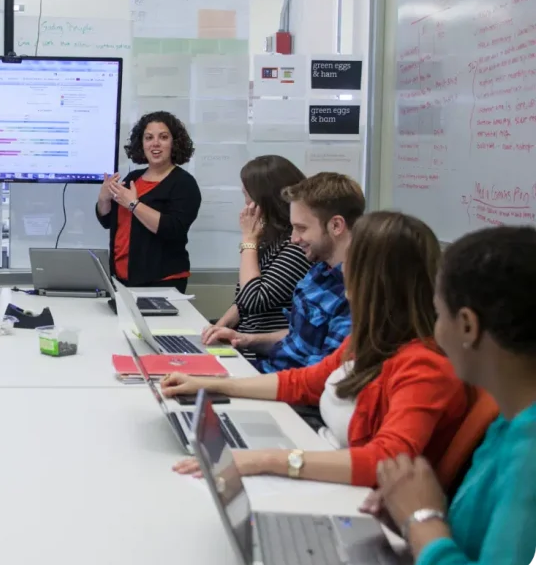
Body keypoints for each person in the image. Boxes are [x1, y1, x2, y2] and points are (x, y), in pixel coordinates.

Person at [163, 211, 468, 488]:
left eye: (353, 262)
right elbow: (303, 383)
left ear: (377, 278)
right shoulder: (371, 338)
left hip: (344, 489)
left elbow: (385, 461)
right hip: (317, 459)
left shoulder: (424, 366)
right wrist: (208, 385)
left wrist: (264, 460)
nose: (343, 271)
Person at [361, 226, 536, 565]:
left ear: (468, 326)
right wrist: (410, 512)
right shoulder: (509, 423)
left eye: (440, 315)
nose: (436, 330)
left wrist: (421, 520)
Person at [204, 172, 365, 373]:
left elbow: (320, 380)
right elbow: (297, 338)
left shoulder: (357, 291)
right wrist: (246, 340)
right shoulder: (319, 271)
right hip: (270, 372)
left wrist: (229, 385)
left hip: (292, 394)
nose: (294, 239)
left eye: (301, 228)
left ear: (336, 225)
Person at [202, 156, 312, 338]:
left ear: (265, 199)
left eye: (247, 195)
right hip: (245, 339)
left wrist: (249, 241)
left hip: (264, 349)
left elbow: (254, 300)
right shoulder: (271, 238)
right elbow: (242, 301)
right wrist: (217, 328)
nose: (246, 204)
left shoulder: (297, 245)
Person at [95, 111, 201, 293]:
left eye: (164, 137)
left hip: (163, 281)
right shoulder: (133, 178)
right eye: (149, 137)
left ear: (174, 142)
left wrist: (134, 205)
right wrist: (103, 198)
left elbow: (173, 229)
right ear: (141, 144)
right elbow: (108, 221)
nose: (155, 143)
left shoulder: (184, 183)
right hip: (121, 279)